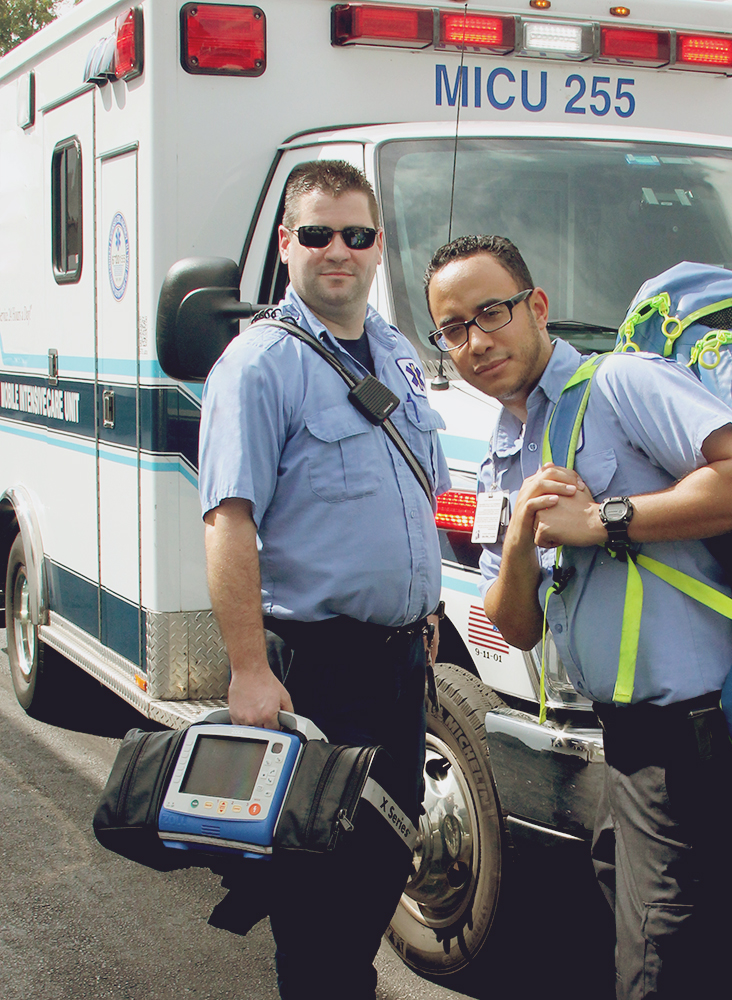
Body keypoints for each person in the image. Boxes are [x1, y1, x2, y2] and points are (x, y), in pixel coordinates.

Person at [424, 234, 732, 999]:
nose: (476, 341)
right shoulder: (504, 455)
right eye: (453, 329)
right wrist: (522, 540)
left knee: (661, 972)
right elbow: (513, 624)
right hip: (623, 744)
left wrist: (606, 519)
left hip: (701, 747)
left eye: (491, 312)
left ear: (537, 307)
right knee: (696, 960)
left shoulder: (621, 384)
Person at [198, 160, 449, 999]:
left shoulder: (396, 352)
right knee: (314, 888)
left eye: (355, 234)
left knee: (383, 861)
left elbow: (410, 492)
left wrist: (427, 604)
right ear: (286, 244)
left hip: (398, 666)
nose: (336, 250)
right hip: (314, 670)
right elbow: (229, 521)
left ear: (379, 246)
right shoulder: (259, 364)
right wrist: (248, 669)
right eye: (316, 234)